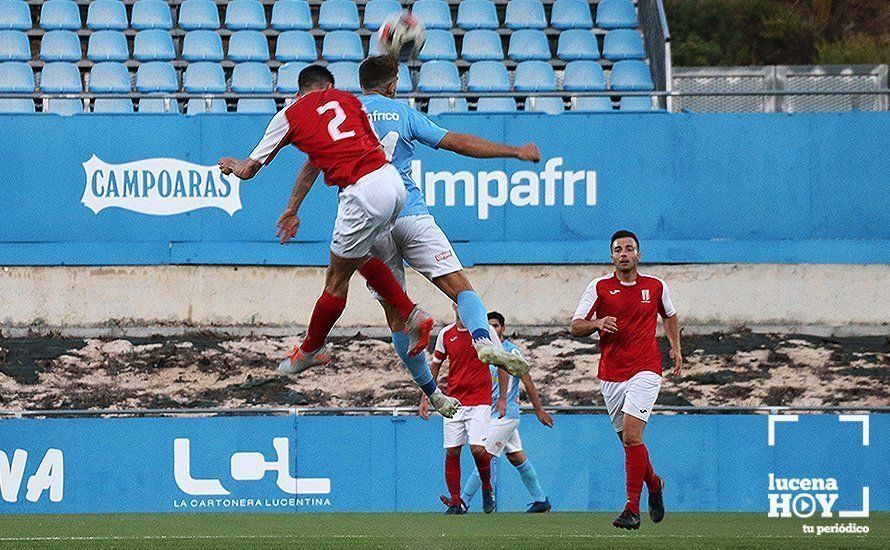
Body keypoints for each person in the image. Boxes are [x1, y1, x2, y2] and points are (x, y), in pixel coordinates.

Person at [276, 56, 541, 403]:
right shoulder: (403, 114)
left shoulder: (346, 110)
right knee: (462, 289)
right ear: (392, 85)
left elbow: (311, 167)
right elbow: (456, 142)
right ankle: (482, 339)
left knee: (398, 317)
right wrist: (514, 150)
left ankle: (433, 393)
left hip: (370, 220)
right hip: (410, 211)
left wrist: (293, 208)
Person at [217, 65, 459, 416]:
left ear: (299, 93)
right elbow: (332, 156)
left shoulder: (289, 114)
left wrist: (233, 165)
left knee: (336, 278)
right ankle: (408, 321)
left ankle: (313, 348)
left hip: (359, 191)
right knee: (355, 259)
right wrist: (293, 207)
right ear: (328, 86)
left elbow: (250, 169)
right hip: (392, 183)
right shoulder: (347, 100)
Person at [570, 229, 682, 530]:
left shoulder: (655, 286)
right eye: (618, 249)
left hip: (646, 369)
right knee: (629, 443)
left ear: (638, 255)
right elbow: (575, 326)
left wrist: (675, 346)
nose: (623, 253)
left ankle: (632, 508)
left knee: (633, 436)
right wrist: (597, 322)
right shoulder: (599, 287)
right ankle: (654, 483)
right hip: (611, 374)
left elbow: (670, 315)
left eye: (629, 248)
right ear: (611, 256)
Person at [458, 311, 554, 513]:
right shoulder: (483, 350)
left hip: (505, 414)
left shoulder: (511, 351)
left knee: (483, 456)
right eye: (489, 325)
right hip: (487, 411)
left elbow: (527, 380)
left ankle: (462, 502)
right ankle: (540, 500)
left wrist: (538, 410)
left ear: (503, 328)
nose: (492, 329)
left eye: (496, 325)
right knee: (516, 457)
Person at [420, 305, 504, 514]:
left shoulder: (484, 331)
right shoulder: (446, 334)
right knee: (452, 450)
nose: (462, 307)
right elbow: (435, 366)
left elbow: (502, 362)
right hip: (454, 401)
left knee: (477, 448)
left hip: (480, 400)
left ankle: (486, 486)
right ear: (454, 306)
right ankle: (456, 502)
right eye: (458, 303)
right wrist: (426, 396)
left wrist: (502, 397)